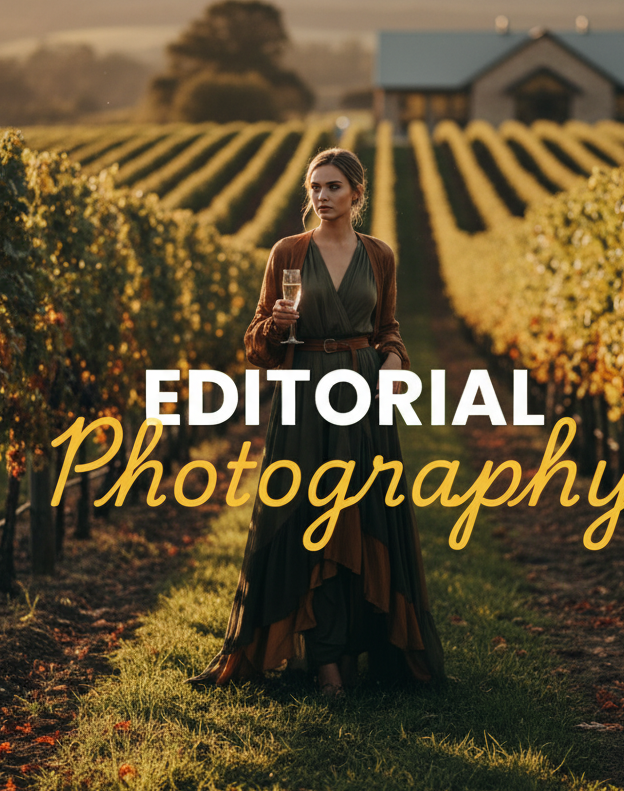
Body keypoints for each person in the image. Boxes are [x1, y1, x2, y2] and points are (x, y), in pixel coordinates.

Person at [187, 147, 445, 697]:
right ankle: (326, 664)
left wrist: (393, 364)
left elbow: (389, 327)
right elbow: (256, 344)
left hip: (364, 393)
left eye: (332, 187)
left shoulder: (379, 256)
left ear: (356, 193)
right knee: (311, 517)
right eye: (314, 188)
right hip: (305, 396)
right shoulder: (287, 253)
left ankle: (360, 651)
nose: (321, 197)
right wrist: (278, 325)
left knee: (365, 515)